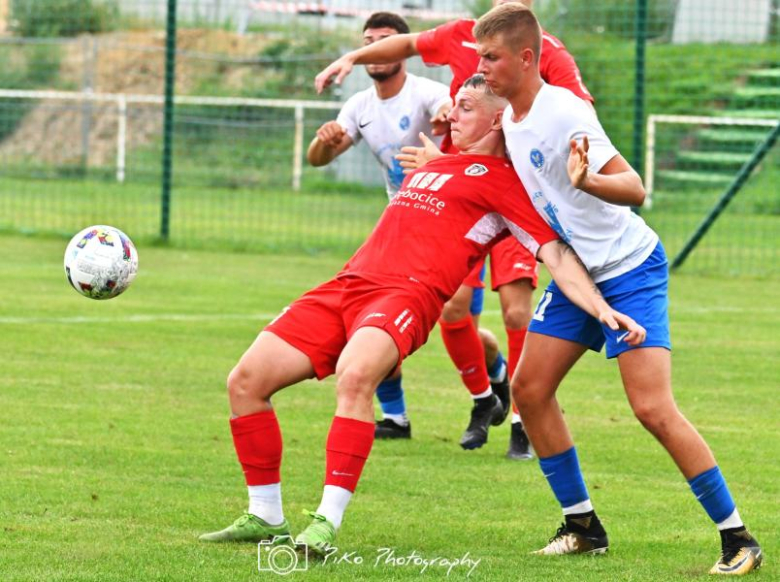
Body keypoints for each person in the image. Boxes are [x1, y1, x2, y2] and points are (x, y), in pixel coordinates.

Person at [198, 75, 646, 559]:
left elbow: (556, 255)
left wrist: (601, 308)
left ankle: (325, 523)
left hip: (406, 296)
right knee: (244, 381)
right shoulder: (439, 161)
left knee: (354, 378)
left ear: (498, 118)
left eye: (466, 106)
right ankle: (265, 513)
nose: (451, 113)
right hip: (348, 282)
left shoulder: (508, 184)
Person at [472, 4, 762, 574]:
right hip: (577, 274)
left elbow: (634, 187)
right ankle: (582, 527)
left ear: (525, 58)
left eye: (491, 57)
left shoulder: (564, 111)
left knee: (652, 408)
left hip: (630, 269)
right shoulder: (511, 118)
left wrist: (589, 181)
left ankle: (738, 538)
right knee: (529, 392)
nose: (481, 69)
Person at [315, 0, 594, 458]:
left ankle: (522, 421)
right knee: (452, 310)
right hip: (461, 192)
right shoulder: (461, 34)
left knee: (517, 313)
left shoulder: (551, 54)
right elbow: (406, 42)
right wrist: (349, 58)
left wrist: (550, 161)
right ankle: (485, 397)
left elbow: (579, 115)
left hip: (511, 190)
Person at [307, 12, 451, 440]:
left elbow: (447, 110)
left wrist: (447, 114)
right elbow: (319, 159)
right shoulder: (359, 105)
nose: (373, 50)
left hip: (448, 222)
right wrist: (324, 140)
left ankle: (490, 386)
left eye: (383, 41)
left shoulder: (427, 92)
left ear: (402, 48)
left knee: (460, 319)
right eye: (366, 41)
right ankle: (396, 417)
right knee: (371, 312)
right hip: (401, 226)